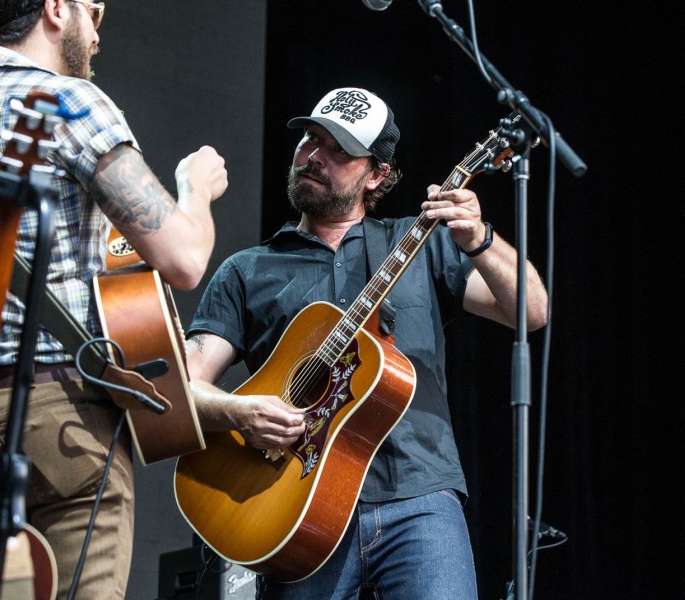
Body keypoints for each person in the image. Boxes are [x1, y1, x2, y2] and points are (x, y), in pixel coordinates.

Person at [0, 0, 227, 599]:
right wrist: (194, 189)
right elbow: (185, 259)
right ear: (57, 9)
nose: (97, 30)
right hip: (66, 419)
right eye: (94, 11)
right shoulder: (70, 103)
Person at [183, 87, 548, 599]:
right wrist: (239, 413)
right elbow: (180, 388)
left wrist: (478, 239)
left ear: (378, 174)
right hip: (293, 508)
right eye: (310, 140)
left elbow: (531, 311)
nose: (314, 157)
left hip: (418, 496)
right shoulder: (247, 270)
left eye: (339, 151)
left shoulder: (418, 243)